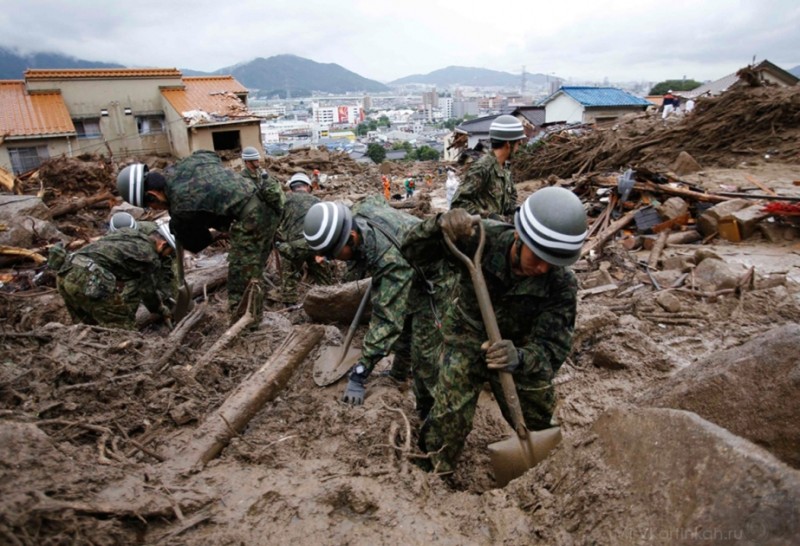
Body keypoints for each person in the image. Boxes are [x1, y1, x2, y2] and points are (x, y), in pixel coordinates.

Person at [402, 187, 588, 473]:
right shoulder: (479, 238)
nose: (541, 269)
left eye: (552, 263)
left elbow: (553, 349)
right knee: (449, 414)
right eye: (537, 257)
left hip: (517, 348)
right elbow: (411, 251)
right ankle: (436, 470)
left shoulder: (561, 284)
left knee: (538, 419)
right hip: (467, 333)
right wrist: (438, 226)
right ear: (518, 236)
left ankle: (544, 474)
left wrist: (521, 358)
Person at [116, 149, 285, 324]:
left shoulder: (181, 208)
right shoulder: (188, 164)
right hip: (268, 201)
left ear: (153, 195)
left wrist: (179, 227)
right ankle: (256, 309)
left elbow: (199, 243)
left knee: (239, 283)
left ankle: (247, 329)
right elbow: (210, 154)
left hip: (254, 219)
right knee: (253, 268)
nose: (156, 210)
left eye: (152, 206)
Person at [303, 197, 423, 406]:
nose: (335, 260)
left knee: (423, 333)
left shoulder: (389, 260)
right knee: (406, 315)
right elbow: (374, 200)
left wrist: (361, 371)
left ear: (351, 237)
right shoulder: (355, 213)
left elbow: (388, 320)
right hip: (407, 260)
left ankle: (425, 405)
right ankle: (399, 374)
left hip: (437, 273)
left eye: (335, 254)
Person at [48, 219, 177, 330]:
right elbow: (147, 290)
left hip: (65, 271)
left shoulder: (129, 234)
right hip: (87, 278)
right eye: (170, 251)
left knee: (87, 326)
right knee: (122, 327)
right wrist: (161, 309)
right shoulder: (149, 256)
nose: (167, 256)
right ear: (163, 244)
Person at [451, 114, 526, 221]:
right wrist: (490, 218)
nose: (519, 148)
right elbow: (457, 205)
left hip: (499, 232)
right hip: (482, 234)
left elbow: (510, 202)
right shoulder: (482, 168)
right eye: (519, 143)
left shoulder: (505, 169)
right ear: (508, 144)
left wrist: (519, 215)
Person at [274, 172, 330, 301]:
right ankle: (330, 299)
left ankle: (290, 306)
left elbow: (276, 223)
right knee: (324, 278)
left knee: (289, 276)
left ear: (292, 187)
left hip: (293, 247)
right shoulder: (317, 201)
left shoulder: (285, 201)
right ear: (308, 186)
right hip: (315, 245)